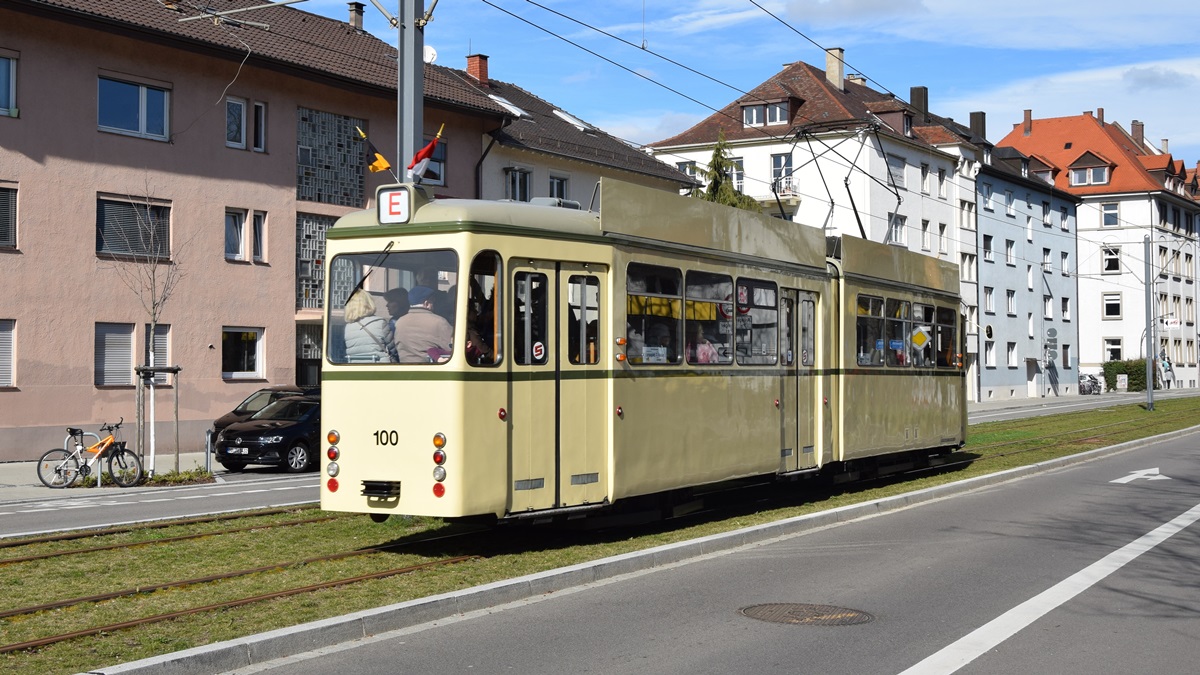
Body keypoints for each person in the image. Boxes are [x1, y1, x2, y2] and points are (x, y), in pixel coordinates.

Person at [394, 285, 454, 363]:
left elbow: (397, 346)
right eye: (432, 302)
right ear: (427, 303)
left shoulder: (399, 322)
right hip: (430, 369)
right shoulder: (439, 321)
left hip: (405, 368)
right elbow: (452, 347)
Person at [343, 290, 393, 363]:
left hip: (356, 369)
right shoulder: (380, 323)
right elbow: (393, 349)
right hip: (380, 369)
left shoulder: (348, 327)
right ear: (369, 303)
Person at [382, 287, 409, 362]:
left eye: (390, 301)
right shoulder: (412, 319)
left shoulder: (394, 322)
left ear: (400, 303)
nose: (387, 305)